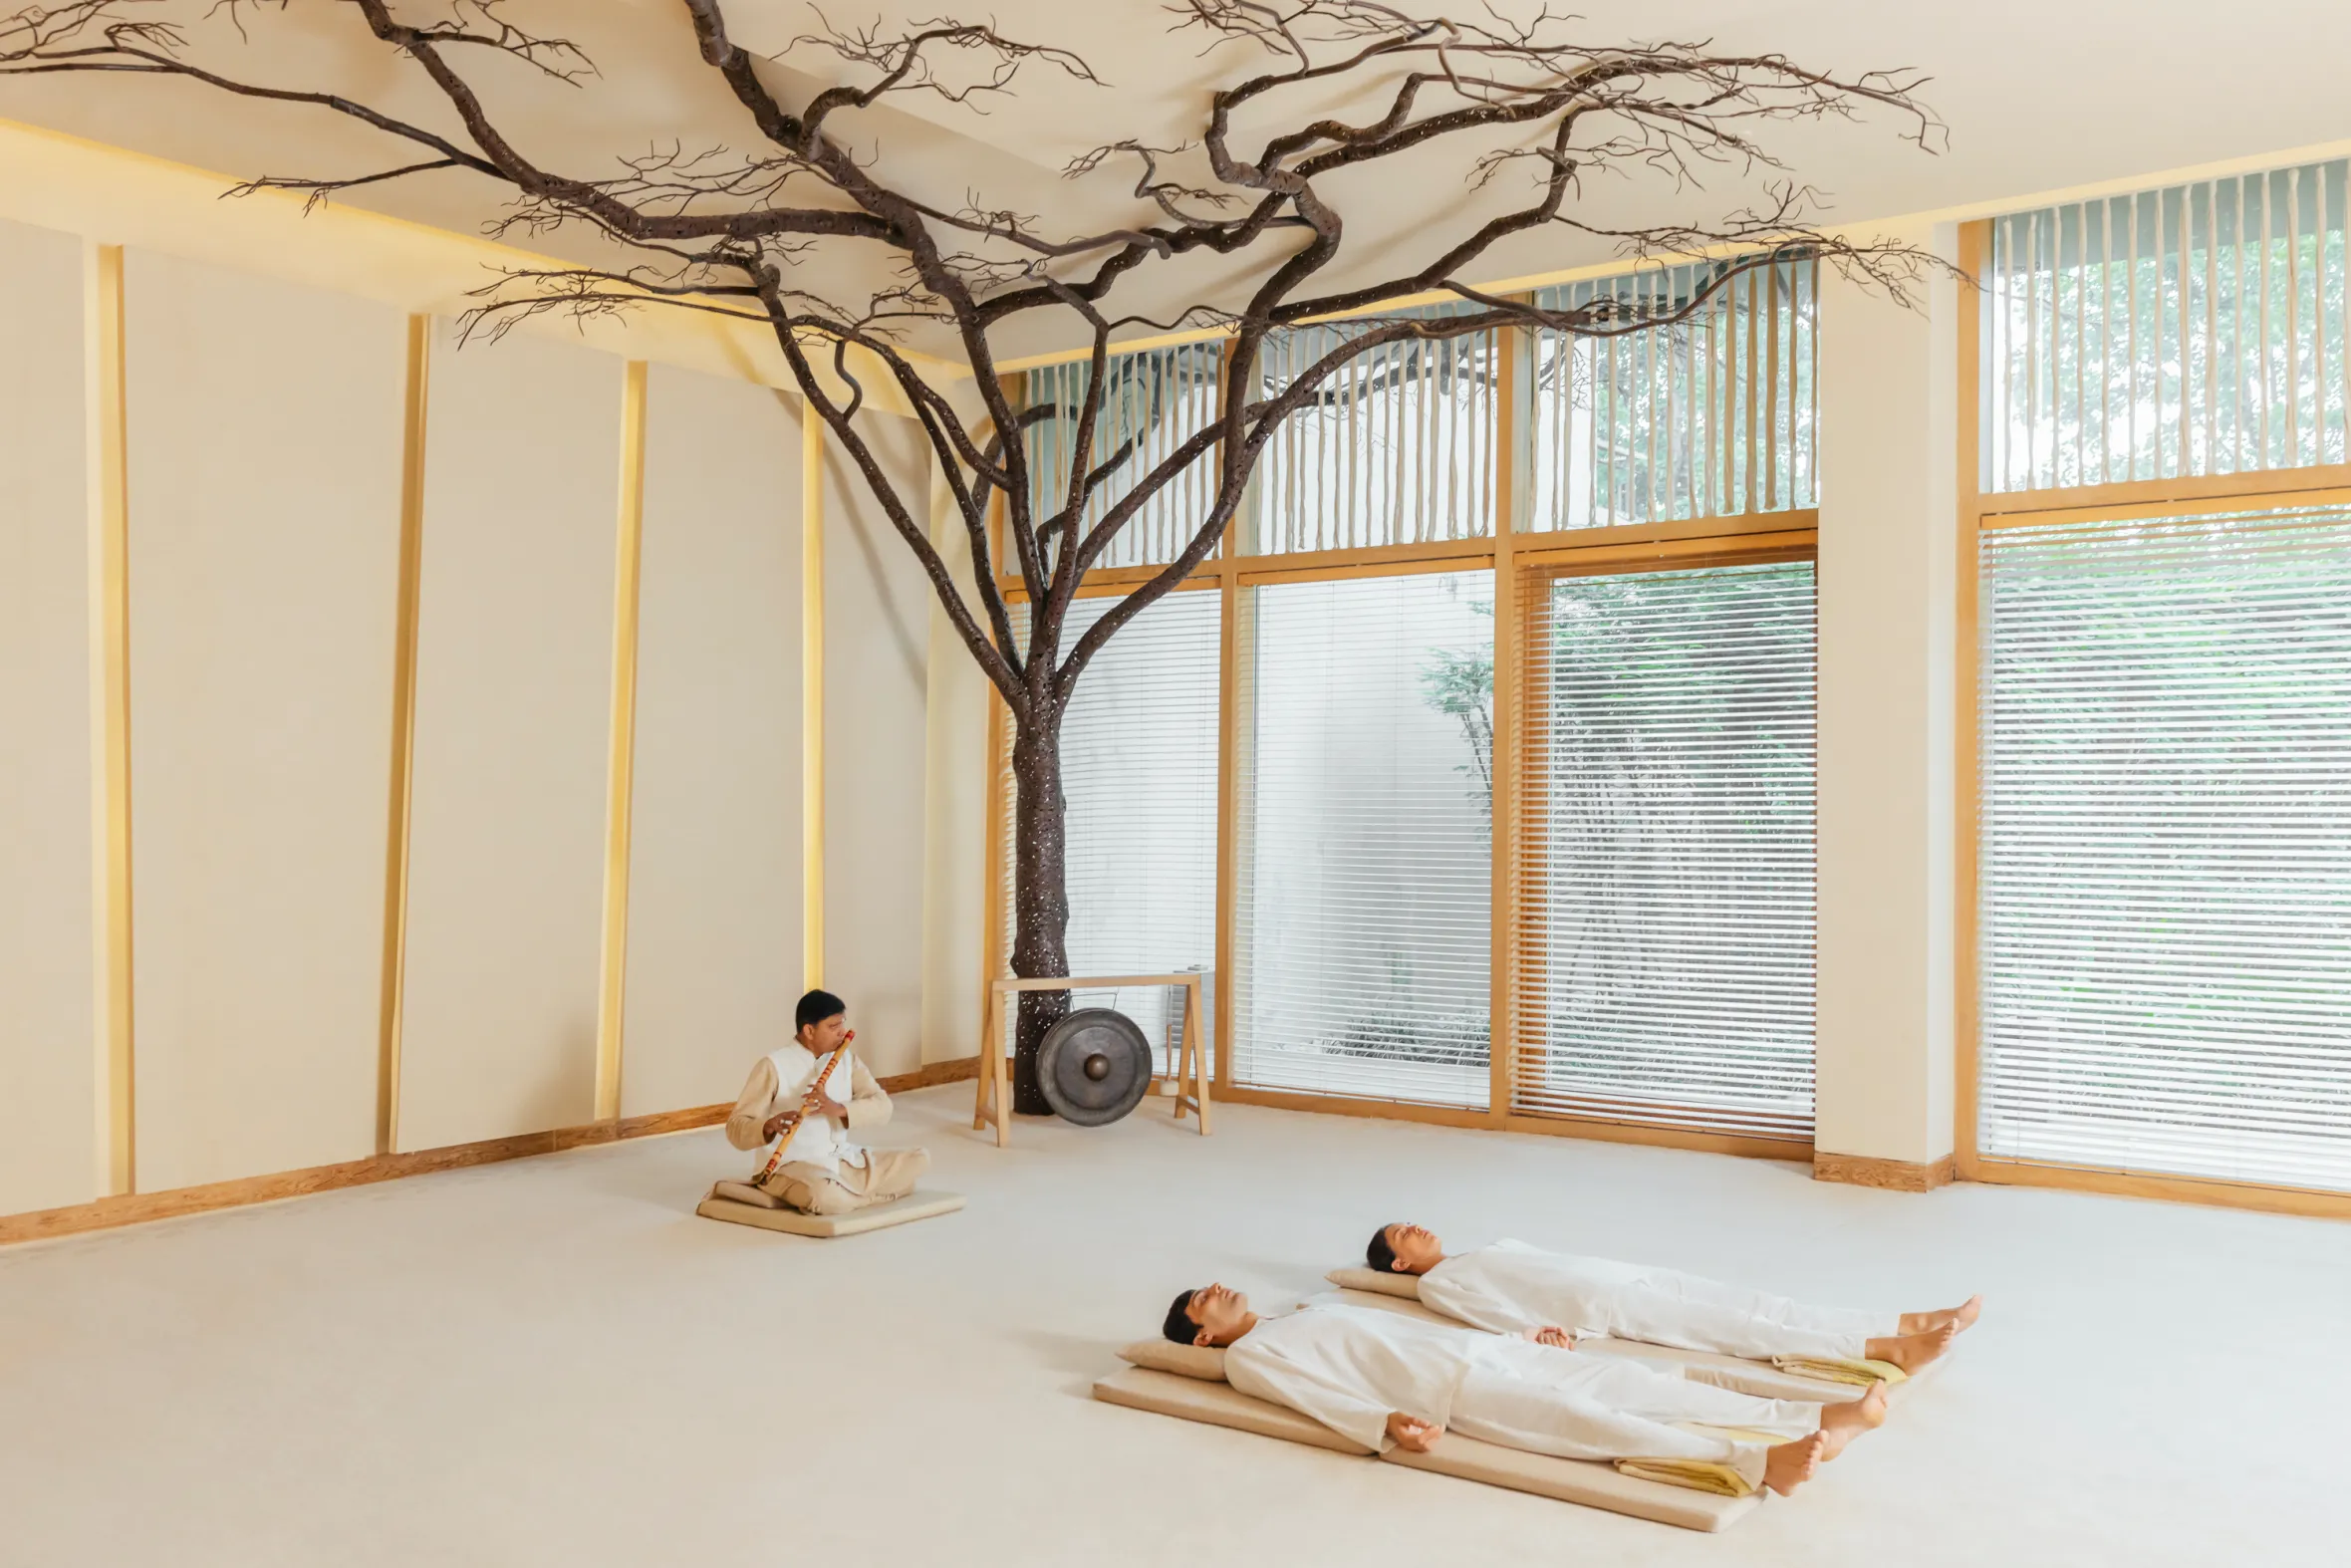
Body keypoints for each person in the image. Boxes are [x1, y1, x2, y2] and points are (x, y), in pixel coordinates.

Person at [1165, 1284, 1886, 1497]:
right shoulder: (1249, 1359)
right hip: (1452, 1388)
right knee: (1585, 1420)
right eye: (1202, 1303)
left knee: (1636, 1380)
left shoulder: (1303, 1308)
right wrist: (1386, 1421)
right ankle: (1760, 1460)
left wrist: (1519, 1337)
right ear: (1203, 1337)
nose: (1215, 1290)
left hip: (1484, 1352)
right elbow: (1312, 1399)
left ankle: (1813, 1414)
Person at [1366, 1224, 1980, 1372]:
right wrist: (1555, 1336)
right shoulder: (1439, 1283)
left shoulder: (1488, 1246)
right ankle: (1882, 1348)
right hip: (1607, 1310)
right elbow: (1493, 1315)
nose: (1416, 1227)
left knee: (1759, 1301)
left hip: (1626, 1276)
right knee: (1738, 1330)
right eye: (1403, 1234)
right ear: (1400, 1262)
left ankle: (1911, 1318)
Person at [720, 989, 928, 1215]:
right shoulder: (773, 1065)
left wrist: (839, 1109)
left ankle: (851, 1196)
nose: (842, 1033)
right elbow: (736, 1126)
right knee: (823, 1196)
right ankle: (871, 1194)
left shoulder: (848, 1060)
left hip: (840, 1161)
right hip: (791, 1167)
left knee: (919, 1159)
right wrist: (768, 1126)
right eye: (833, 1027)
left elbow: (883, 1106)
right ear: (809, 1030)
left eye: (842, 1024)